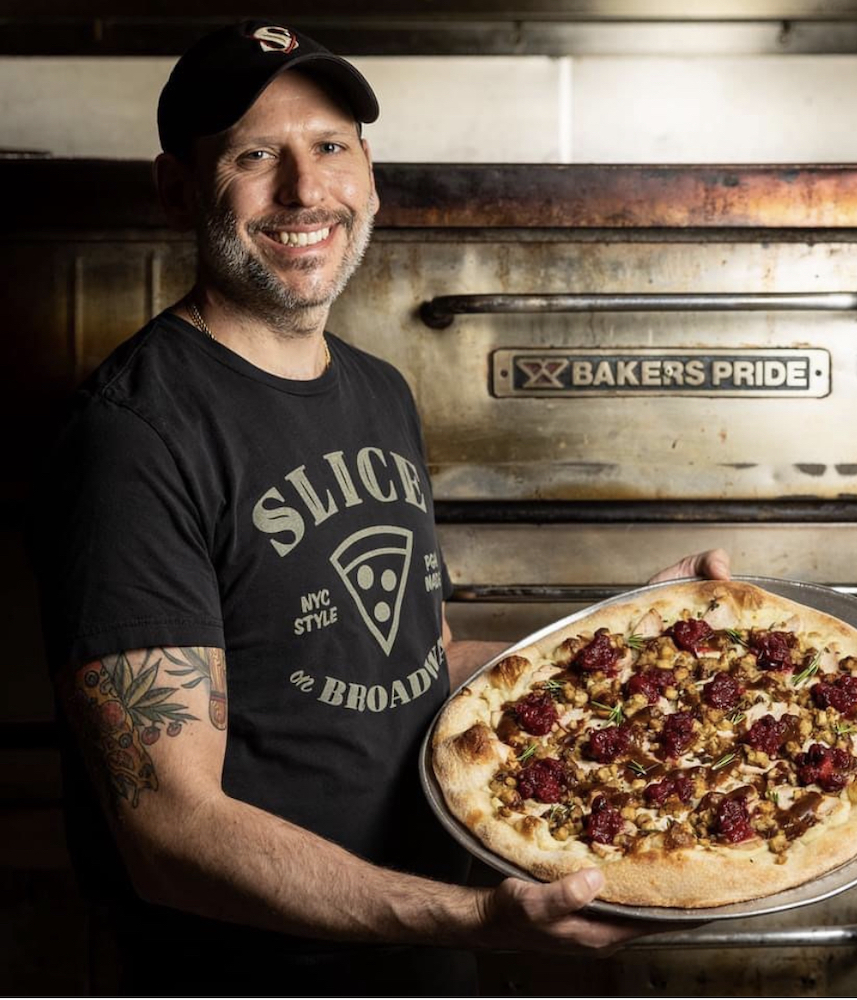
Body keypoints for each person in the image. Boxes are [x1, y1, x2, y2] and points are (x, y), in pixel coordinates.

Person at [32, 20, 732, 996]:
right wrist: (474, 915)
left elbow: (409, 663)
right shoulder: (135, 435)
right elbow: (169, 829)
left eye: (330, 147)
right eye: (253, 155)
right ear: (176, 190)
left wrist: (628, 632)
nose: (304, 191)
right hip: (259, 973)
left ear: (369, 173)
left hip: (422, 947)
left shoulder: (376, 391)